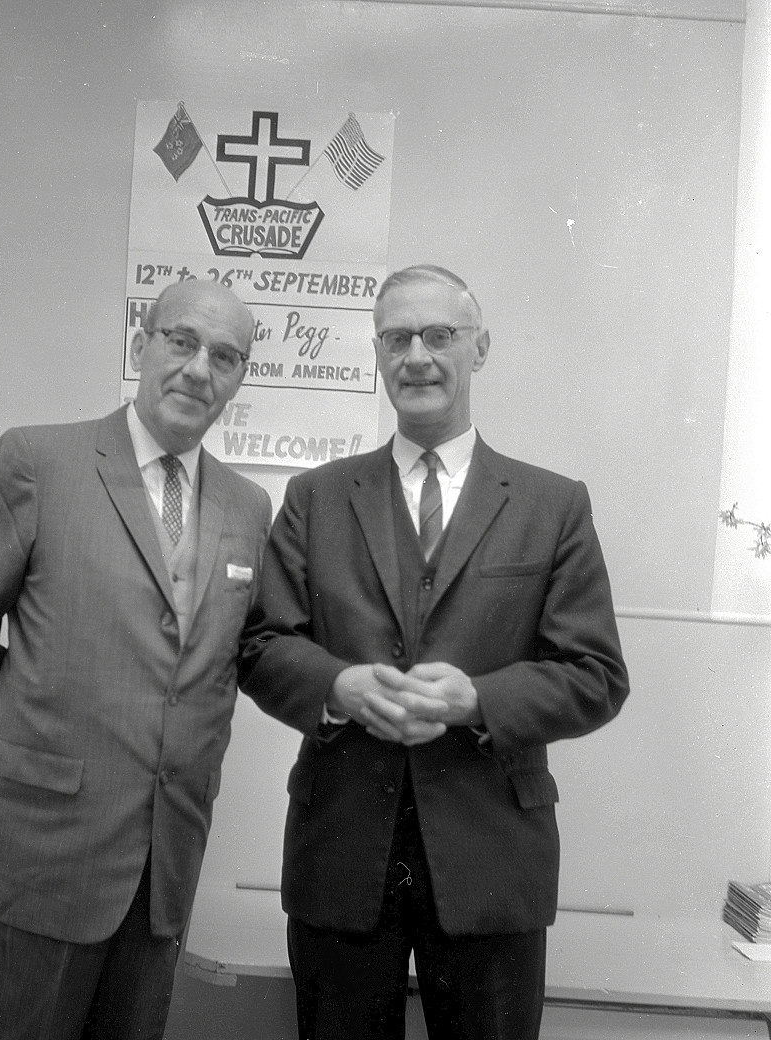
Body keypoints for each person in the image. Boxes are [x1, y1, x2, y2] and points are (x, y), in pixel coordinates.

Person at [0, 279, 321, 1040]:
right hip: (34, 853)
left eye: (225, 356)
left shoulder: (247, 506)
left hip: (161, 873)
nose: (199, 369)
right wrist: (12, 749)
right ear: (141, 345)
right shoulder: (37, 460)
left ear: (241, 377)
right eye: (182, 341)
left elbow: (236, 655)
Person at [238, 264, 630, 1040]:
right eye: (397, 338)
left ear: (479, 348)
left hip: (492, 861)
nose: (416, 355)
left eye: (439, 335)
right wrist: (339, 686)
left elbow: (596, 674)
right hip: (341, 854)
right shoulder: (315, 498)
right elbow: (260, 645)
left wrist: (479, 700)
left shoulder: (553, 505)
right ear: (378, 355)